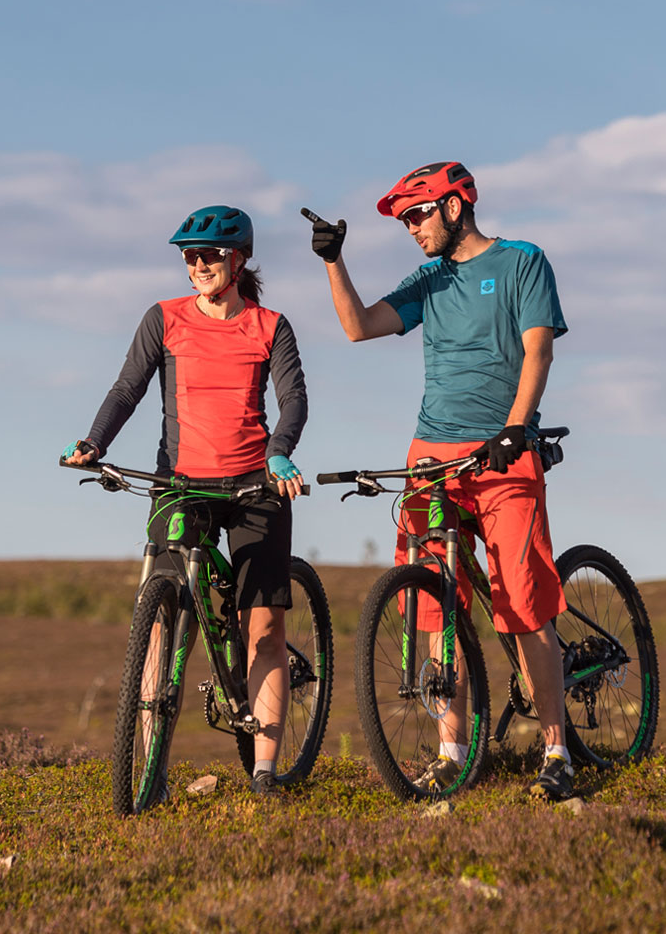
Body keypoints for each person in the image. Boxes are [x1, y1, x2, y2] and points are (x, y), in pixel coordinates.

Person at [303, 161, 576, 800]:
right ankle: (453, 750)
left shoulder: (521, 263)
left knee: (521, 602)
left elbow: (539, 349)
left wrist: (516, 427)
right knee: (431, 601)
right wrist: (332, 263)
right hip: (431, 454)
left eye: (418, 214)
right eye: (404, 220)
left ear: (455, 207)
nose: (411, 228)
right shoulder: (430, 279)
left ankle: (557, 750)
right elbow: (358, 326)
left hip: (503, 451)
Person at [63, 204, 308, 799]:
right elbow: (128, 388)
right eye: (189, 257)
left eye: (209, 256)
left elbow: (293, 399)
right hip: (179, 483)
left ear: (238, 259)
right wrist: (95, 441)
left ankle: (265, 772)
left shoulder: (269, 325)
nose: (197, 265)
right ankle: (151, 768)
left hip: (254, 487)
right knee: (162, 621)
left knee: (263, 629)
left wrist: (279, 454)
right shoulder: (164, 318)